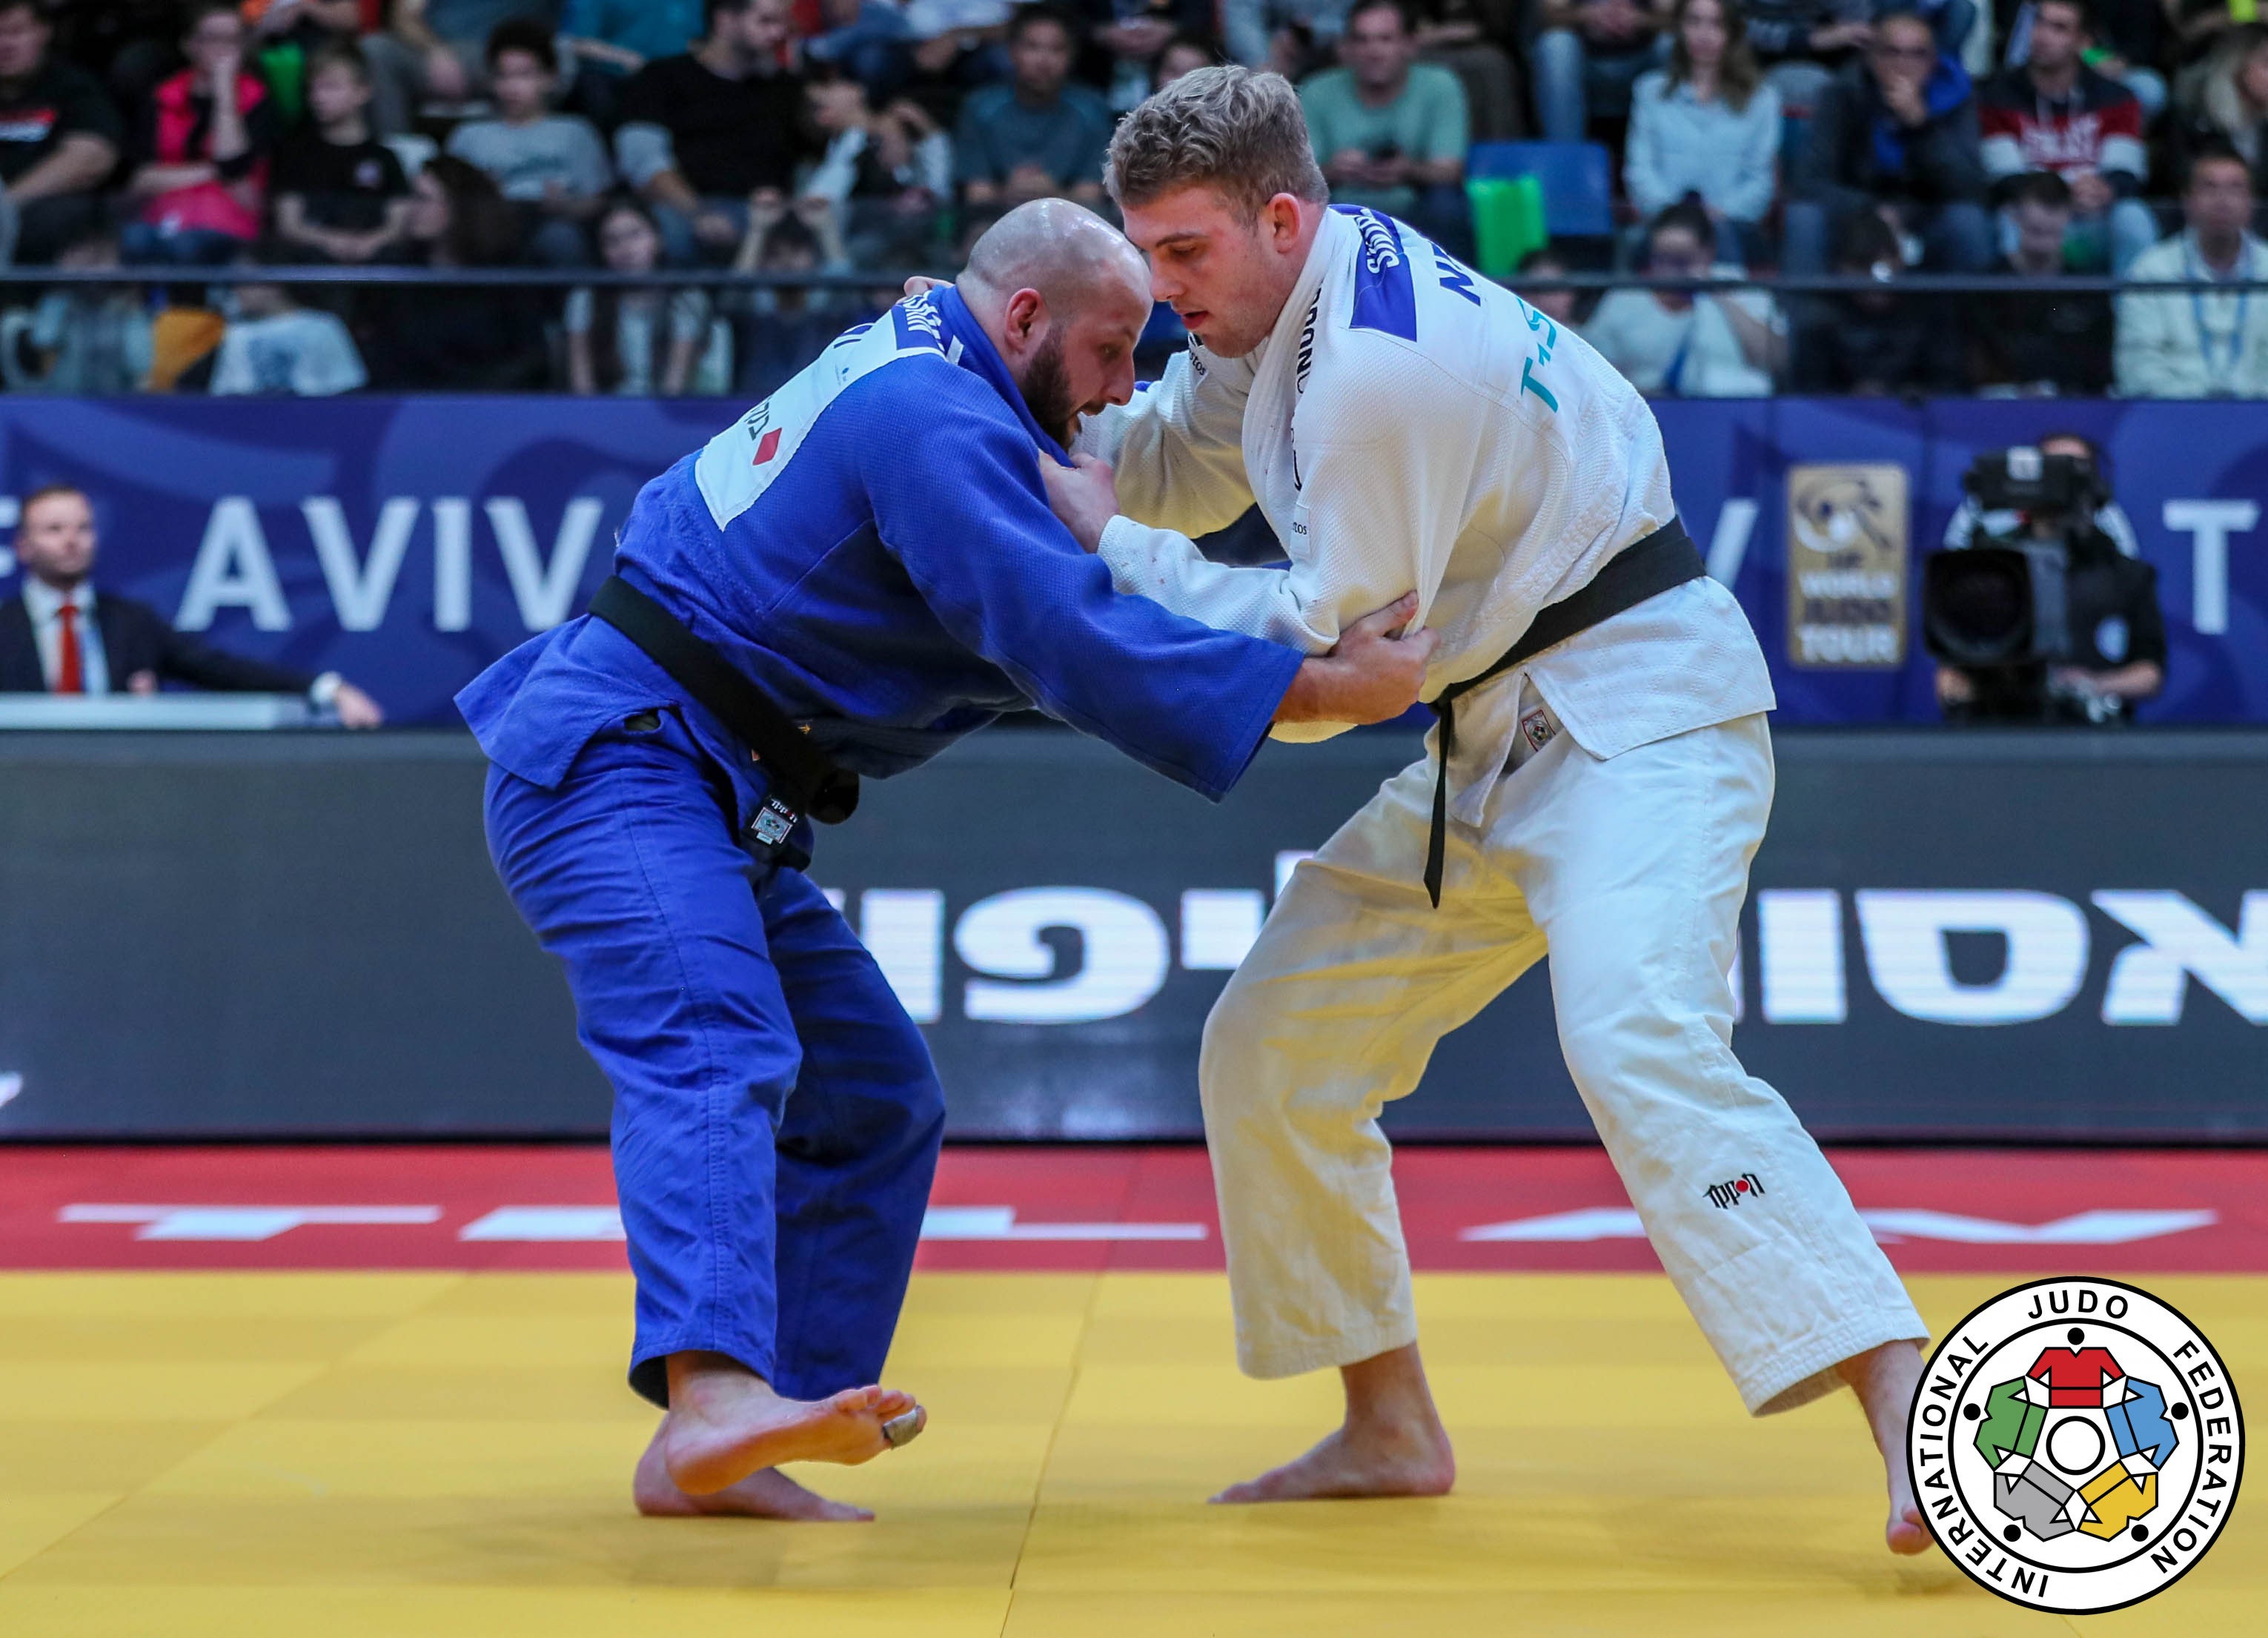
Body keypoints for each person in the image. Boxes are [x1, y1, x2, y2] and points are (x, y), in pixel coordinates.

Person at [1059, 65, 1932, 1552]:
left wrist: (1110, 553)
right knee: (1275, 1046)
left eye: (1184, 251)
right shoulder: (1280, 306)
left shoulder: (1376, 373)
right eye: (1145, 254)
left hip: (1637, 714)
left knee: (1639, 1034)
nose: (1160, 290)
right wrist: (1011, 436)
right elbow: (1176, 466)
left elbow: (1343, 655)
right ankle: (1387, 1424)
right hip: (1496, 727)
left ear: (1281, 218)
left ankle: (1910, 1398)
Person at [457, 198, 1434, 1524]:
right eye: (1109, 351)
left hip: (716, 787)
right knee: (712, 1041)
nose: (1123, 388)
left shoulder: (929, 361)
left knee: (872, 1095)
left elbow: (1045, 611)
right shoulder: (933, 417)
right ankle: (712, 1398)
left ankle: (764, 1428)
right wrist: (1321, 688)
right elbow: (1063, 637)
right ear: (1023, 317)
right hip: (623, 761)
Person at [0, 484, 384, 725]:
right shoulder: (5, 626)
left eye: (83, 528)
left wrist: (324, 688)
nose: (71, 541)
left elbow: (222, 670)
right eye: (54, 530)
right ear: (23, 546)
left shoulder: (133, 622)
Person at [1934, 435, 2165, 723]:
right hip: (1998, 727)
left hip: (2090, 732)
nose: (2062, 480)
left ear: (2095, 484)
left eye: (2075, 469)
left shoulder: (2124, 573)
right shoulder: (1988, 567)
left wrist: (2092, 685)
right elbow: (1950, 670)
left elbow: (2151, 673)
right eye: (2054, 467)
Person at [1785, 8, 1992, 273]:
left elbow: (1970, 187)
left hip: (1925, 217)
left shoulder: (1956, 99)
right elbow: (1809, 180)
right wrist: (1871, 210)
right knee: (1804, 217)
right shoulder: (1842, 94)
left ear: (1933, 62)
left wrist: (1921, 127)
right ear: (1872, 57)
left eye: (1917, 54)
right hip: (1855, 214)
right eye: (1892, 52)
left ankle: (1974, 303)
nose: (1904, 64)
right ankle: (1803, 303)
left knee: (1968, 221)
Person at [615, 0, 817, 266]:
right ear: (725, 20)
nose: (779, 33)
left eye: (782, 23)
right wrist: (698, 214)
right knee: (666, 232)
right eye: (766, 21)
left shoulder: (787, 88)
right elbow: (644, 162)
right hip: (691, 213)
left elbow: (813, 159)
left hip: (771, 219)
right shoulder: (660, 77)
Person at [1977, 0, 2154, 275]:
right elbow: (2004, 177)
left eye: (2059, 28)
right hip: (2035, 219)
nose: (2042, 35)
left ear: (2083, 41)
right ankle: (2020, 302)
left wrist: (2105, 190)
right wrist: (2063, 196)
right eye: (2039, 22)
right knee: (2010, 218)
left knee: (2133, 217)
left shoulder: (2116, 97)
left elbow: (2125, 171)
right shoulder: (1999, 96)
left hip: (2091, 224)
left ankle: (2132, 303)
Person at [362, 153, 548, 388]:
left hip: (488, 400)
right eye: (412, 197)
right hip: (410, 401)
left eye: (423, 199)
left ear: (459, 206)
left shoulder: (505, 274)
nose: (412, 209)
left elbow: (530, 357)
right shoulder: (397, 270)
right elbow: (381, 351)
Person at [1298, 0, 1470, 251]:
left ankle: (1446, 275)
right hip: (1339, 208)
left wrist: (1407, 170)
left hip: (1416, 208)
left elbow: (1450, 170)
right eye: (1362, 40)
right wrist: (1335, 170)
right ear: (1345, 48)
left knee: (1447, 204)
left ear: (1409, 45)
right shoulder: (1316, 91)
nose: (1374, 51)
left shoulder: (1440, 85)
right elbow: (1296, 178)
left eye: (1385, 39)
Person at [1622, 0, 1782, 268]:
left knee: (1717, 239)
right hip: (1664, 222)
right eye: (1694, 22)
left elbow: (1760, 183)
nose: (1704, 34)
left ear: (1732, 32)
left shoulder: (1763, 100)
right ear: (1680, 29)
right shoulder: (1649, 91)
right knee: (1657, 242)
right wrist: (1677, 219)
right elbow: (1639, 172)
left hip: (1732, 224)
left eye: (1716, 24)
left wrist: (1715, 216)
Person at [121, 1, 278, 268]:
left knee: (189, 249)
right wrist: (214, 172)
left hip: (228, 223)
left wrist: (226, 93)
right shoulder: (162, 97)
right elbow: (142, 178)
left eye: (232, 40)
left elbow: (233, 165)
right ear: (190, 45)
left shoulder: (257, 98)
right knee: (131, 241)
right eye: (213, 38)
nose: (222, 49)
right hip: (162, 218)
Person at [445, 19, 614, 266]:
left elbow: (599, 202)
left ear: (550, 78)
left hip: (555, 225)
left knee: (560, 238)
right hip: (488, 230)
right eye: (503, 75)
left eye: (524, 75)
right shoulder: (468, 136)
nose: (512, 87)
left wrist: (566, 207)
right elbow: (449, 204)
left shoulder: (575, 132)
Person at [1582, 199, 1783, 394]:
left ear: (1709, 252)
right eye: (1661, 259)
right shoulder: (1625, 297)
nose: (1671, 272)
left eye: (1682, 261)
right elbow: (1594, 372)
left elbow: (1777, 358)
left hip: (1737, 407)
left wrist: (1721, 296)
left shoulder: (1740, 287)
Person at [2116, 142, 2268, 397]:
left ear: (2251, 203)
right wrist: (2195, 407)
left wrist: (2247, 405)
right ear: (2187, 201)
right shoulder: (2150, 270)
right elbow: (2138, 368)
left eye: (2235, 189)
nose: (2222, 201)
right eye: (2210, 188)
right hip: (2172, 411)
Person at [955, 7, 1114, 219]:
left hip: (1069, 223)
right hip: (995, 221)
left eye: (1057, 49)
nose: (1043, 61)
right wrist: (1009, 194)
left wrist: (1053, 197)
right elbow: (977, 196)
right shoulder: (981, 107)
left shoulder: (1092, 109)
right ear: (1012, 52)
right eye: (1032, 47)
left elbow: (1092, 198)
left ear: (1073, 55)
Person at [0, 0, 123, 267]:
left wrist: (6, 205)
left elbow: (92, 157)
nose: (5, 44)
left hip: (43, 220)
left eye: (16, 32)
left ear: (43, 32)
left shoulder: (73, 86)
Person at [1970, 170, 2115, 394]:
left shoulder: (2086, 289)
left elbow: (2099, 368)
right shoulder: (1985, 287)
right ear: (2014, 214)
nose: (2047, 216)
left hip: (2071, 402)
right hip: (2001, 400)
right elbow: (1976, 363)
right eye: (2040, 203)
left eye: (2056, 205)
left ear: (2069, 215)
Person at [1792, 208, 1969, 390]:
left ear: (1899, 259)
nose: (1873, 278)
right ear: (1841, 267)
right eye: (1861, 266)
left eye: (1880, 264)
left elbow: (1949, 382)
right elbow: (1809, 387)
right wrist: (1849, 395)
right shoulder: (1821, 317)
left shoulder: (1929, 309)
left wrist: (1903, 393)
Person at [566, 195, 726, 394]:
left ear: (658, 239)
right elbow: (582, 389)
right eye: (612, 241)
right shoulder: (585, 299)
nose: (626, 249)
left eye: (635, 235)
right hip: (607, 408)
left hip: (669, 409)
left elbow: (675, 388)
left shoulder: (686, 297)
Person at [271, 46, 414, 267]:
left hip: (376, 272)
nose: (317, 97)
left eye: (330, 87)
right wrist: (330, 241)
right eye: (313, 88)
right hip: (310, 271)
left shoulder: (386, 159)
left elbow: (399, 226)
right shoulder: (295, 155)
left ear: (363, 92)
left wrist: (371, 243)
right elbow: (288, 226)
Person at [800, 65, 952, 269]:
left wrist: (928, 132)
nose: (844, 85)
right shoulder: (847, 151)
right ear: (825, 115)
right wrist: (863, 130)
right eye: (829, 88)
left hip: (924, 244)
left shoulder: (903, 131)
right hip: (870, 252)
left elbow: (940, 187)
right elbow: (820, 197)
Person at [363, 0, 563, 135]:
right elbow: (404, 16)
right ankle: (398, 153)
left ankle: (539, 146)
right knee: (376, 48)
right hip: (437, 49)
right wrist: (436, 51)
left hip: (512, 51)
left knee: (561, 57)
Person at [210, 268, 369, 395]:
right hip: (247, 419)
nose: (238, 290)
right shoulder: (236, 332)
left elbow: (346, 386)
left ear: (274, 284)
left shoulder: (323, 326)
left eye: (246, 282)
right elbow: (223, 393)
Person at [1531, 0, 1671, 142]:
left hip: (1643, 60)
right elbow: (1548, 17)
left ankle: (1672, 151)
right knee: (1556, 45)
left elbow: (1674, 17)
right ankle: (1565, 151)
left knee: (1669, 43)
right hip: (1582, 61)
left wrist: (1637, 19)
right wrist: (1590, 15)